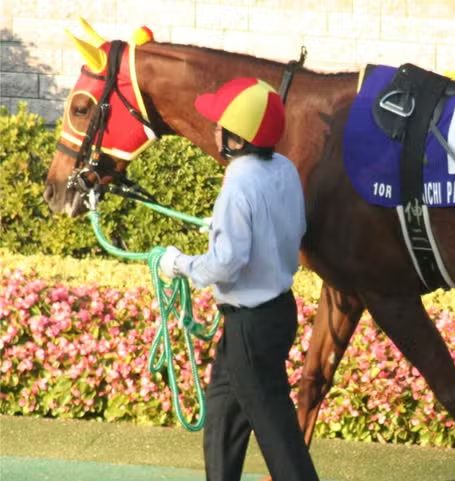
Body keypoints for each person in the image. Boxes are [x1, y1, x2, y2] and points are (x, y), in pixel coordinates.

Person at [159, 77, 319, 481]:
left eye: (222, 126)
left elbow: (226, 264)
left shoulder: (238, 179)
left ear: (240, 138)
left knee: (278, 435)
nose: (215, 130)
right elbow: (291, 226)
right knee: (222, 420)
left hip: (251, 324)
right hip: (273, 314)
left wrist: (178, 264)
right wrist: (221, 227)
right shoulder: (282, 168)